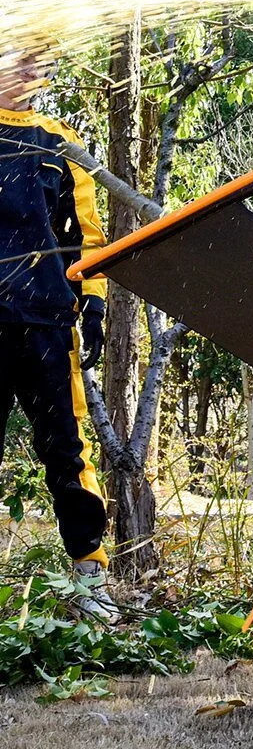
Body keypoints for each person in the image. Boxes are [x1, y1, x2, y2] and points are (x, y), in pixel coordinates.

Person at [0, 43, 116, 620]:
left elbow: (89, 237)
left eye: (38, 66)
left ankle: (90, 582)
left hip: (45, 323)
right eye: (20, 61)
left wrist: (92, 307)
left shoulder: (58, 142)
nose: (30, 74)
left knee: (68, 454)